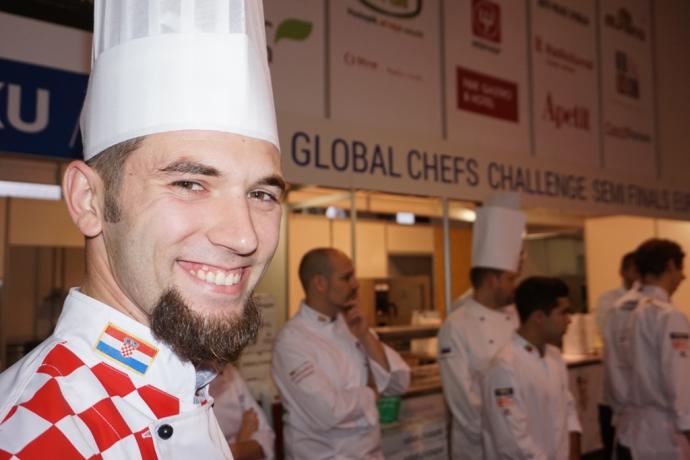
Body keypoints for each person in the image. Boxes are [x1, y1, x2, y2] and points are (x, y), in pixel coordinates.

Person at [0, 1, 283, 458]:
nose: (245, 237)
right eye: (189, 184)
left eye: (262, 194)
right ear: (88, 200)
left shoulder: (185, 385)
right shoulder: (33, 440)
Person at [271, 248, 410, 459]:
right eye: (346, 277)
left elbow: (398, 383)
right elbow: (329, 412)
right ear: (319, 283)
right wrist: (372, 392)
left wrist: (365, 335)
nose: (355, 284)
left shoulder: (352, 325)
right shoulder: (291, 341)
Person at [438, 197, 526, 459]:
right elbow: (461, 399)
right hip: (479, 445)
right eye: (510, 279)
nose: (514, 286)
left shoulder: (517, 317)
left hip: (519, 439)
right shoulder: (456, 325)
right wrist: (498, 434)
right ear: (491, 280)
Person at [604, 238, 689, 460]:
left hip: (626, 428)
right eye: (681, 269)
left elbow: (611, 371)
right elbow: (679, 379)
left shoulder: (617, 310)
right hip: (662, 435)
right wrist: (687, 424)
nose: (683, 277)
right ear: (670, 265)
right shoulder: (668, 315)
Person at [482, 276, 582, 460]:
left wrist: (574, 454)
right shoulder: (505, 367)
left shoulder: (554, 356)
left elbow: (568, 410)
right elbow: (513, 442)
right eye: (563, 313)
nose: (569, 320)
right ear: (539, 317)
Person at [595, 251, 638, 459]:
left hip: (639, 396)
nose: (638, 277)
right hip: (613, 393)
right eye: (634, 271)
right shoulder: (609, 301)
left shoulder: (650, 302)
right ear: (623, 272)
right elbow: (611, 336)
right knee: (614, 448)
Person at [210, 365, 275, 460]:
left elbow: (266, 435)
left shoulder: (230, 372)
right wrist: (242, 440)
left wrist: (237, 448)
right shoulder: (189, 391)